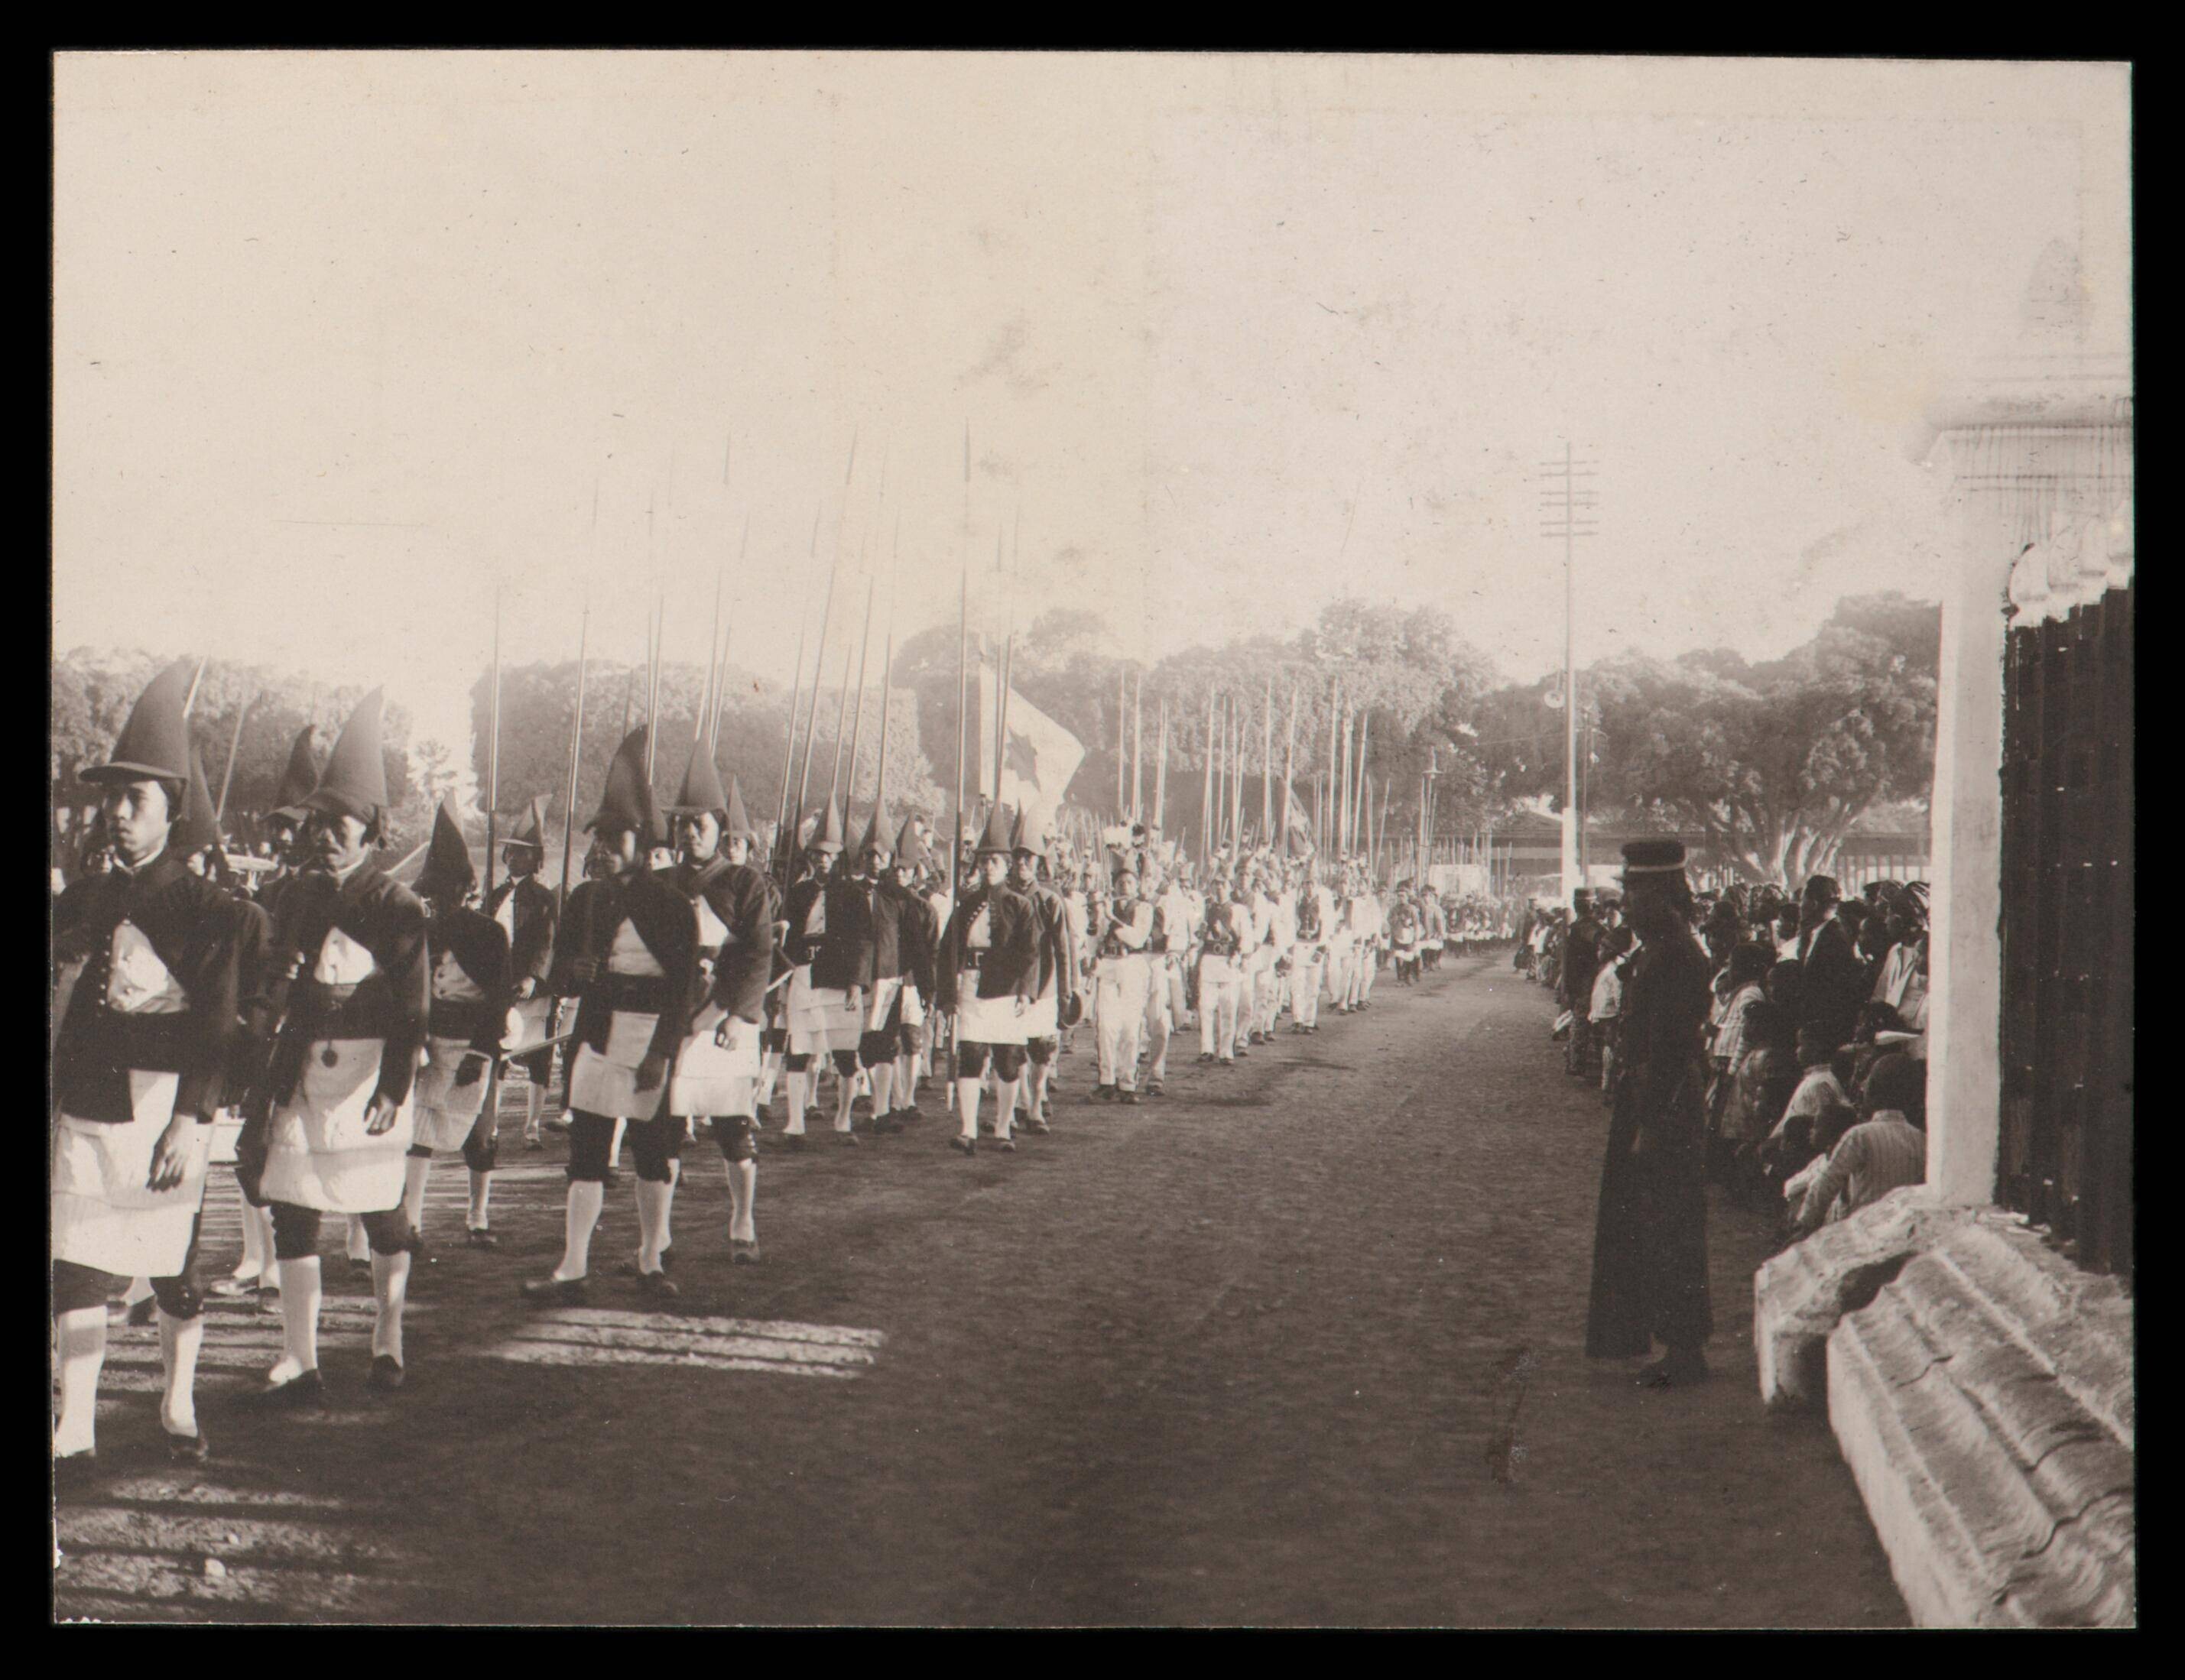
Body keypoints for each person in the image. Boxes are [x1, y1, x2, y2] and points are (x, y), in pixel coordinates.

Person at [52, 661, 241, 1468]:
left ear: (172, 810)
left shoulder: (211, 910)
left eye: (136, 799)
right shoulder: (83, 897)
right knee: (77, 1264)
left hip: (166, 1107)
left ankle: (177, 1400)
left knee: (172, 1273)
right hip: (87, 1100)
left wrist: (192, 1121)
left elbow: (218, 1025)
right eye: (112, 799)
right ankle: (77, 1426)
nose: (118, 814)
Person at [239, 689, 429, 1401]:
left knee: (381, 1212)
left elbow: (413, 1010)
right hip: (302, 1070)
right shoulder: (294, 895)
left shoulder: (397, 905)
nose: (324, 835)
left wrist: (393, 1089)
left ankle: (388, 1337)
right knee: (294, 1209)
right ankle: (300, 1356)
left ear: (371, 830)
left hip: (368, 1073)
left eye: (339, 824)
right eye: (317, 822)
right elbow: (273, 984)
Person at [521, 727, 699, 1304]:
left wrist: (662, 1054)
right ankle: (572, 1267)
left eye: (615, 836)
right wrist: (574, 970)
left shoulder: (672, 905)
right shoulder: (586, 899)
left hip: (650, 1037)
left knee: (652, 1153)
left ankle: (651, 1259)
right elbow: (562, 973)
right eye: (598, 836)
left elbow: (683, 989)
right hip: (597, 1034)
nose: (603, 847)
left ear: (642, 840)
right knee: (587, 1154)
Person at [1586, 838, 1714, 1388]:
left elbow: (1669, 1050)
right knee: (1645, 1222)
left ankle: (1684, 1349)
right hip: (1652, 1099)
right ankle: (1663, 1339)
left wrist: (1650, 1124)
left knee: (1670, 1226)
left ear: (1663, 894)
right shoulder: (1663, 949)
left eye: (1635, 891)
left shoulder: (1677, 955)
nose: (1628, 903)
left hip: (1666, 1103)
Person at [662, 763, 774, 1266]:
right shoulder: (663, 883)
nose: (690, 832)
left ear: (719, 827)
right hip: (674, 1019)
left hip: (726, 1019)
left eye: (700, 823)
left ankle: (742, 1221)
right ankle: (658, 1236)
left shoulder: (744, 882)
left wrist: (733, 1013)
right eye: (682, 823)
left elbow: (758, 953)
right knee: (666, 1129)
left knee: (732, 1129)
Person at [404, 803, 509, 1252]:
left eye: (451, 888)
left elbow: (499, 998)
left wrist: (480, 1053)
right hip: (430, 1042)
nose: (441, 898)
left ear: (468, 888)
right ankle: (411, 1223)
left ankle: (478, 1217)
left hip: (475, 1043)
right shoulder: (420, 931)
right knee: (418, 1134)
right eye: (432, 890)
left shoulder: (489, 934)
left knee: (480, 1135)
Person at [936, 804, 1039, 1154]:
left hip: (1006, 990)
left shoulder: (1020, 906)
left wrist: (1025, 991)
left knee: (1008, 1061)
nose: (988, 867)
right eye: (983, 861)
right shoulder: (966, 905)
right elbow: (947, 951)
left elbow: (1030, 953)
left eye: (995, 861)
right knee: (970, 1055)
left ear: (1007, 865)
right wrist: (947, 994)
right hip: (971, 987)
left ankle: (1003, 1128)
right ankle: (967, 1129)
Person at [778, 803, 860, 1146]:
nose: (822, 860)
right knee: (799, 1049)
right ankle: (795, 1123)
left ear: (838, 857)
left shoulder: (853, 894)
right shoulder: (798, 893)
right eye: (817, 854)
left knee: (844, 1053)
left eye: (828, 854)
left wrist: (856, 982)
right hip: (803, 973)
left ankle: (844, 1120)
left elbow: (862, 942)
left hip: (838, 977)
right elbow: (787, 938)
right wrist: (784, 978)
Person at [485, 798, 559, 1150]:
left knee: (538, 1058)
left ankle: (532, 1126)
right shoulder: (495, 896)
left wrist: (533, 977)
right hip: (500, 985)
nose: (515, 857)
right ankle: (491, 1125)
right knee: (496, 1055)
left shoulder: (544, 899)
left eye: (523, 852)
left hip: (532, 988)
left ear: (536, 859)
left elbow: (548, 942)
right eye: (511, 851)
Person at [1791, 1053, 1927, 1234]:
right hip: (1898, 1232)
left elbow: (1826, 1183)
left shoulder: (1860, 1136)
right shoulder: (1922, 1140)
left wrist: (1805, 1224)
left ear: (1872, 1089)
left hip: (1860, 1232)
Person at [873, 817, 939, 1135]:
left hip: (912, 980)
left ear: (914, 873)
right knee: (885, 1040)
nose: (900, 873)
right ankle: (888, 1102)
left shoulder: (924, 909)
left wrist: (929, 989)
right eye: (896, 868)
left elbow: (930, 952)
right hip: (886, 979)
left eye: (906, 869)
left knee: (912, 1038)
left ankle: (908, 1098)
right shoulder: (880, 902)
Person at [1011, 816, 1077, 1131]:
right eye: (1017, 857)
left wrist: (1066, 991)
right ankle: (1022, 1104)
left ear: (1038, 861)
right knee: (1013, 1049)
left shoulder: (1050, 900)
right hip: (1009, 986)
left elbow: (1064, 950)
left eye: (1028, 858)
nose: (1022, 863)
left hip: (1043, 984)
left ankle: (1036, 1104)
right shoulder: (1002, 898)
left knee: (1041, 1050)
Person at [1090, 864, 1154, 1104]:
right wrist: (1097, 916)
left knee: (1130, 1027)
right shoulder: (1107, 906)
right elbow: (1095, 938)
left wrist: (1111, 918)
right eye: (1120, 883)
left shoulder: (1144, 908)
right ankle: (1106, 1081)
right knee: (1106, 1026)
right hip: (1108, 963)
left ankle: (1128, 1084)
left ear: (1136, 886)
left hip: (1131, 965)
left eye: (1129, 883)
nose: (1124, 887)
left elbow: (1137, 938)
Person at [1560, 890, 1605, 1079]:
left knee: (1581, 1020)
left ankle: (1577, 1062)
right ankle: (1581, 1061)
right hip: (1589, 980)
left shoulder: (1580, 928)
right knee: (1587, 1020)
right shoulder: (1591, 927)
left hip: (1582, 980)